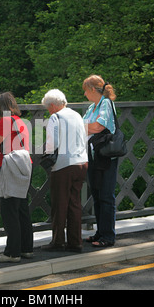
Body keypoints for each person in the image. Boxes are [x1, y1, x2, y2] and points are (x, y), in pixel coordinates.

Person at [0, 92, 33, 262]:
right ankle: (27, 248)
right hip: (25, 164)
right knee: (22, 208)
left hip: (10, 167)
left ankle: (12, 253)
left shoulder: (5, 121)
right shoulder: (21, 121)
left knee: (9, 210)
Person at [41, 89, 88, 252]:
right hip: (81, 162)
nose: (49, 111)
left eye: (48, 108)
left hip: (63, 165)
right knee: (74, 203)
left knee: (59, 204)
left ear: (53, 105)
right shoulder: (77, 115)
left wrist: (46, 153)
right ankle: (76, 242)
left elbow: (52, 143)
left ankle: (58, 241)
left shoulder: (56, 117)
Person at [82, 75, 119, 248]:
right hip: (93, 155)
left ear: (92, 89)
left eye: (85, 90)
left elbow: (98, 126)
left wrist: (80, 126)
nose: (84, 94)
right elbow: (91, 126)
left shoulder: (106, 104)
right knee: (97, 195)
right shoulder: (91, 107)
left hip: (105, 156)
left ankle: (108, 236)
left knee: (106, 196)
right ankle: (100, 232)